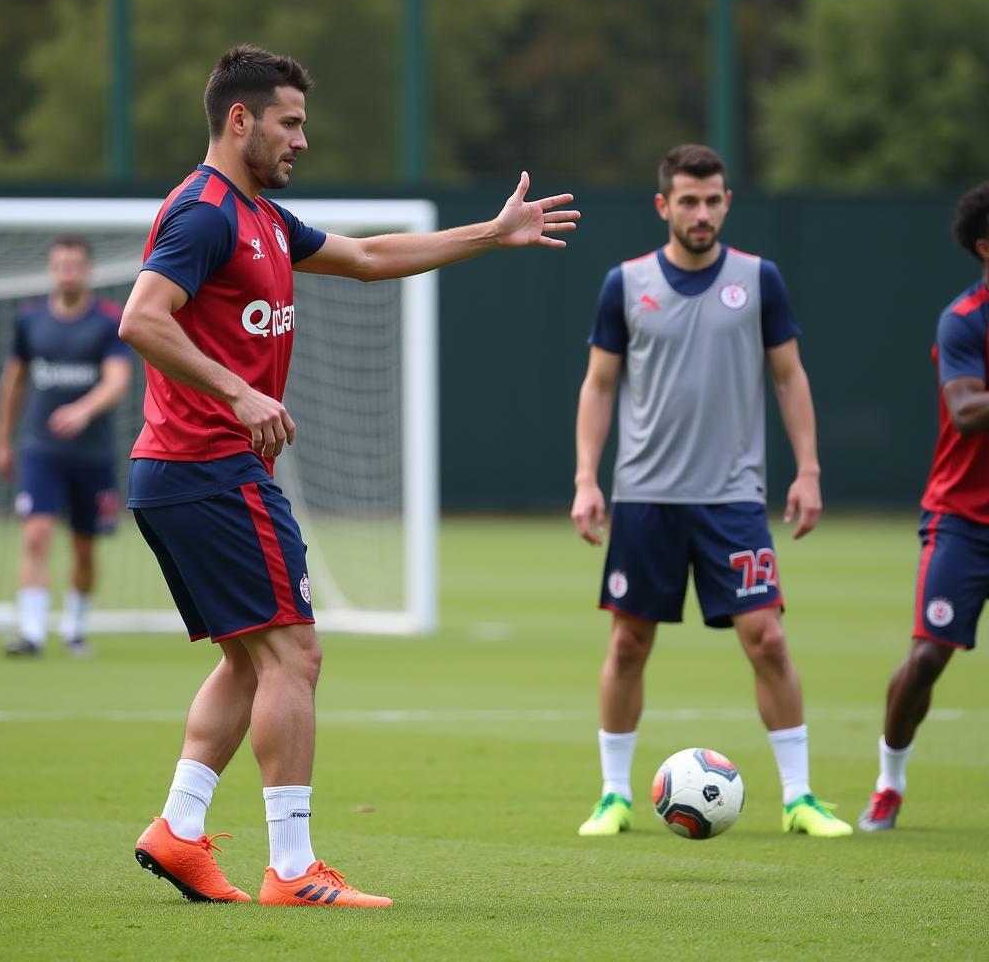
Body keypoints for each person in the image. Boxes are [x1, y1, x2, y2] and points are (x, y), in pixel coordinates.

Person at [120, 44, 579, 908]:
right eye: (290, 122)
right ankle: (292, 870)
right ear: (241, 119)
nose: (302, 139)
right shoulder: (207, 214)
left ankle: (179, 830)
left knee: (253, 660)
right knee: (296, 651)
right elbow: (142, 319)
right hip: (208, 465)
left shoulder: (259, 217)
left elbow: (367, 258)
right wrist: (240, 392)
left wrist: (491, 232)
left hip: (189, 470)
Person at [570, 144, 852, 839]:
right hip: (645, 497)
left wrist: (809, 469)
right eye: (689, 200)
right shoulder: (625, 282)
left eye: (714, 199)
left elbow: (789, 377)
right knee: (629, 644)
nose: (702, 212)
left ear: (727, 201)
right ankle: (613, 796)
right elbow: (599, 384)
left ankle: (799, 798)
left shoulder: (760, 280)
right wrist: (586, 479)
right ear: (664, 205)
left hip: (733, 498)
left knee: (769, 640)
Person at [858, 182, 989, 832]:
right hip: (963, 519)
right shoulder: (965, 318)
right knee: (929, 658)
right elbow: (966, 413)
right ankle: (889, 780)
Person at [0, 235, 132, 657]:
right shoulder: (30, 321)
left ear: (87, 270)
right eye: (60, 265)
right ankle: (32, 633)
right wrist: (2, 440)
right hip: (41, 451)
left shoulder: (108, 321)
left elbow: (117, 380)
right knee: (35, 536)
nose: (67, 273)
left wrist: (83, 410)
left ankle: (74, 626)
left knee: (84, 547)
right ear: (52, 270)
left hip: (92, 454)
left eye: (75, 265)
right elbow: (14, 381)